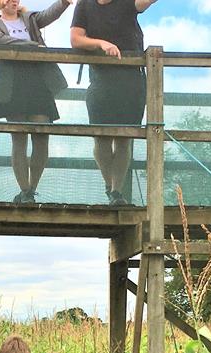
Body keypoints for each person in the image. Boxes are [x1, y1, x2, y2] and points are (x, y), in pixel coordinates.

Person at [70, 0, 158, 205]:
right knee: (101, 139)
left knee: (124, 138)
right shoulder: (85, 5)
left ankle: (116, 192)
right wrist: (101, 43)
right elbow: (76, 38)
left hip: (131, 80)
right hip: (101, 79)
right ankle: (109, 185)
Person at [0, 0, 71, 204]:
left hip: (38, 79)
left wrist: (64, 3)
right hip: (13, 81)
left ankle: (31, 189)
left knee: (41, 135)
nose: (14, 1)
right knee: (19, 138)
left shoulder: (29, 18)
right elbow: (2, 41)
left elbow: (49, 15)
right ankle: (24, 190)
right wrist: (34, 46)